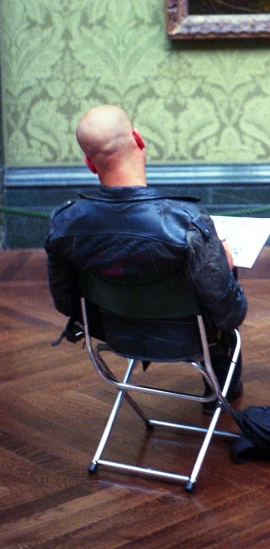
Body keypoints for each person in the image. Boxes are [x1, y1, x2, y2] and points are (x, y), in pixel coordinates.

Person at [45, 105, 247, 411]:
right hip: (190, 339)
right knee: (216, 288)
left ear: (89, 163)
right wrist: (226, 264)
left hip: (114, 335)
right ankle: (220, 390)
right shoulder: (187, 222)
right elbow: (231, 315)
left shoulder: (65, 222)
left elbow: (65, 303)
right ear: (138, 139)